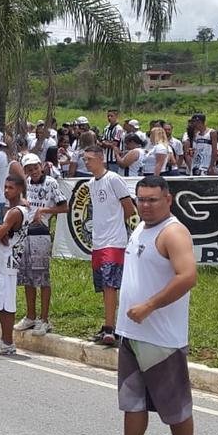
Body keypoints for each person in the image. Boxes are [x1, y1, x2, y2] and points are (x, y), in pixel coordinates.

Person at [87, 175, 199, 435]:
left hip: (161, 338)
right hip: (131, 333)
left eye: (153, 199)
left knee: (174, 406)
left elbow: (188, 276)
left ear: (169, 199)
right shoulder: (142, 227)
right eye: (142, 199)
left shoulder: (173, 232)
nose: (146, 205)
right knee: (132, 402)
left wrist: (150, 305)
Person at [84, 146, 136, 347]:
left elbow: (129, 208)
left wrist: (115, 224)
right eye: (85, 159)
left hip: (113, 241)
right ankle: (110, 324)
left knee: (110, 284)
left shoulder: (113, 179)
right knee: (104, 287)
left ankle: (110, 328)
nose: (86, 163)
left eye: (89, 159)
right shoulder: (91, 183)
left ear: (100, 159)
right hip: (98, 241)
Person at [13, 154, 68, 336]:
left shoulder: (51, 183)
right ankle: (30, 315)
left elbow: (64, 207)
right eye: (29, 169)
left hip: (41, 233)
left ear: (41, 166)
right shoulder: (25, 184)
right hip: (24, 232)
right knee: (27, 278)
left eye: (35, 168)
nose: (33, 172)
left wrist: (44, 210)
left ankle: (44, 319)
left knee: (42, 277)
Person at [0, 175, 30, 355]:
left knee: (5, 304)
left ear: (19, 189)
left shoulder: (15, 211)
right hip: (7, 260)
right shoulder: (19, 209)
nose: (7, 191)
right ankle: (4, 339)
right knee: (1, 302)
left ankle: (8, 341)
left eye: (11, 188)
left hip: (8, 261)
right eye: (5, 187)